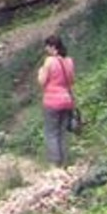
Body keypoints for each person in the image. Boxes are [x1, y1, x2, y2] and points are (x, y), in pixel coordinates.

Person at [37, 35, 77, 165]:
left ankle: (55, 163)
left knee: (51, 133)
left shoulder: (49, 61)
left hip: (52, 101)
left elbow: (42, 82)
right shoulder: (69, 61)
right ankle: (65, 162)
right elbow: (71, 81)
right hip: (67, 100)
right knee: (63, 132)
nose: (45, 49)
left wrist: (40, 72)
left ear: (53, 47)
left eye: (47, 46)